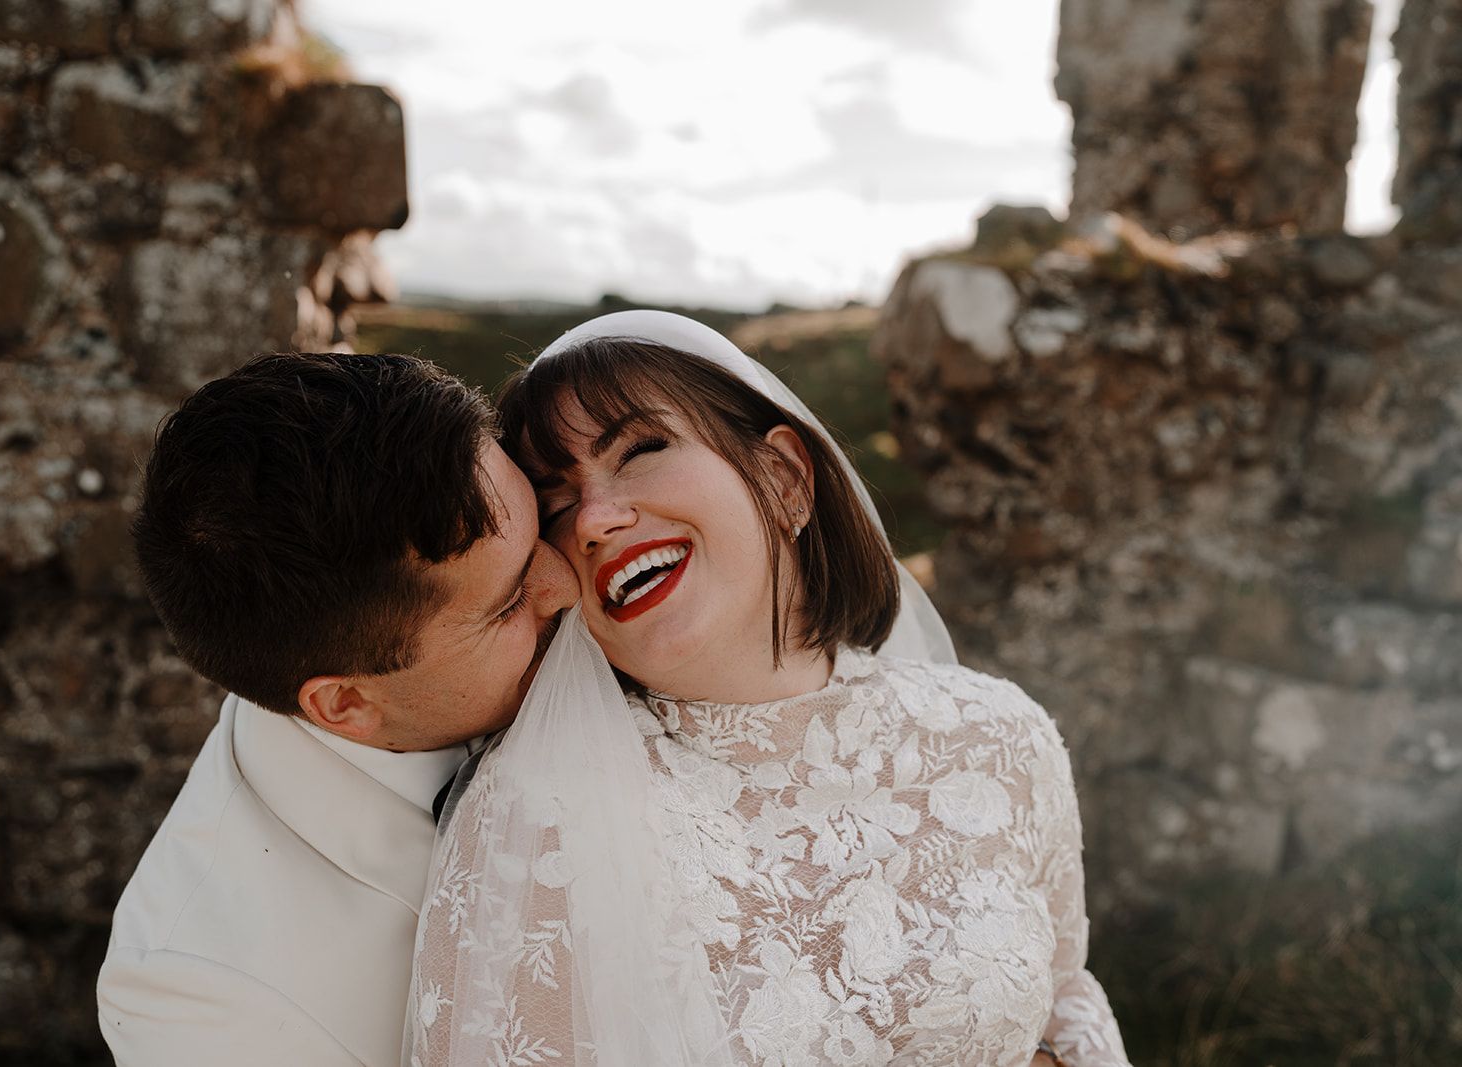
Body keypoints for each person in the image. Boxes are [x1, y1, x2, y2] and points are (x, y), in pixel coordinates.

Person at [407, 312, 1130, 1066]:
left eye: (641, 449)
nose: (594, 517)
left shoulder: (999, 737)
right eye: (557, 503)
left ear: (785, 478)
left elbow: (1063, 995)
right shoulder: (539, 817)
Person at [97, 352, 577, 1066]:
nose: (567, 583)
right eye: (509, 602)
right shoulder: (205, 1000)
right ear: (346, 702)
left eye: (542, 522)